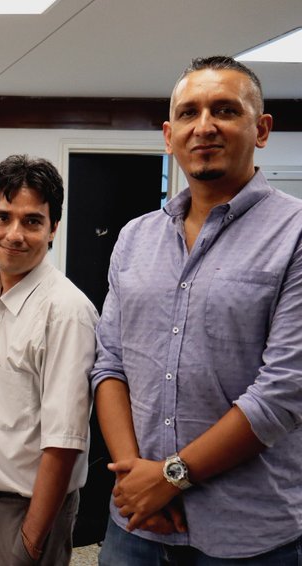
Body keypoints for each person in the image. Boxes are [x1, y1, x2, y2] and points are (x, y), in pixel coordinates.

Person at [93, 56, 302, 563]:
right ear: (169, 136)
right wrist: (135, 479)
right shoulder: (135, 238)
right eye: (189, 113)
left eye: (225, 110)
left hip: (248, 532)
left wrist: (169, 478)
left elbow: (284, 390)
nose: (204, 126)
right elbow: (110, 365)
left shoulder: (294, 234)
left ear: (261, 129)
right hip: (135, 527)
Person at [0, 155, 97, 565]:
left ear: (53, 229)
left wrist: (31, 542)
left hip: (23, 515)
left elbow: (64, 442)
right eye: (3, 218)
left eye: (32, 221)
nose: (14, 234)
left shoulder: (66, 312)